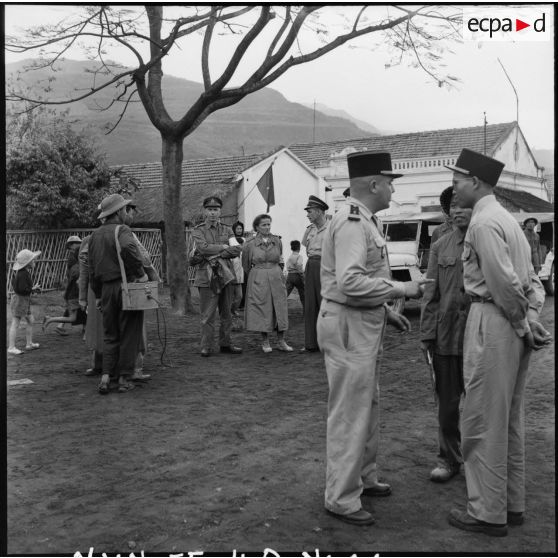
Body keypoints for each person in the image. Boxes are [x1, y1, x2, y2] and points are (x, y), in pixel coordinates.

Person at [318, 151, 431, 526]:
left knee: (367, 405)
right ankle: (340, 497)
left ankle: (362, 477)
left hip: (361, 322)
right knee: (351, 411)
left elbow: (355, 280)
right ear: (373, 184)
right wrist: (403, 288)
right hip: (348, 325)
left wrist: (386, 310)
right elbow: (349, 282)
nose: (393, 188)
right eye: (390, 181)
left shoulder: (364, 221)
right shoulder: (352, 223)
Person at [446, 148, 550, 537]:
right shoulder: (508, 220)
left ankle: (488, 513)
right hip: (511, 322)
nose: (453, 189)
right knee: (508, 420)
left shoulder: (484, 223)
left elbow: (505, 285)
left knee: (482, 420)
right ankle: (511, 504)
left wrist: (524, 325)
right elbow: (532, 284)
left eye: (457, 181)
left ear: (475, 181)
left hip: (494, 320)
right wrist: (531, 320)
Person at [420, 187, 472, 483]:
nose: (457, 211)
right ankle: (449, 458)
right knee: (447, 404)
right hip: (447, 336)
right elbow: (431, 293)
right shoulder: (441, 244)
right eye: (453, 206)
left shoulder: (488, 240)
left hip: (479, 336)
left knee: (481, 404)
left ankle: (482, 461)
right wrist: (427, 334)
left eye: (463, 205)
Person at [88, 193, 148, 394]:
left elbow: (92, 270)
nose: (126, 211)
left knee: (110, 335)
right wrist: (139, 274)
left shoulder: (94, 236)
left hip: (105, 290)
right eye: (124, 209)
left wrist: (97, 294)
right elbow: (130, 249)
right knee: (130, 333)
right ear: (119, 212)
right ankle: (123, 378)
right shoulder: (122, 229)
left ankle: (105, 377)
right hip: (125, 288)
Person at [191, 196, 243, 357]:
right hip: (206, 278)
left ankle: (226, 343)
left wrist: (212, 251)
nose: (213, 213)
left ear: (220, 211)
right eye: (210, 209)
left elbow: (236, 250)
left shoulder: (228, 230)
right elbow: (202, 248)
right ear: (204, 211)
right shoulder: (198, 230)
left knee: (227, 313)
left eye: (215, 209)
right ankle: (206, 346)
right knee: (207, 315)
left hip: (226, 276)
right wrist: (222, 247)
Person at [242, 214, 293, 353]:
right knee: (262, 308)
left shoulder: (277, 240)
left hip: (276, 276)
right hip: (258, 278)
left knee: (280, 308)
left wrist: (277, 272)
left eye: (269, 224)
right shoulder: (249, 243)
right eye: (264, 225)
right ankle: (265, 341)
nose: (267, 227)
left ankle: (281, 341)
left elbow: (280, 258)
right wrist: (257, 274)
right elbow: (246, 265)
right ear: (257, 227)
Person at [301, 195, 329, 352]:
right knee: (310, 305)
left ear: (319, 211)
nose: (307, 214)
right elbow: (306, 249)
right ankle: (311, 343)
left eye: (310, 211)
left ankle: (328, 343)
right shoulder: (309, 230)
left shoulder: (332, 228)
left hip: (326, 266)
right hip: (311, 266)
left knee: (326, 304)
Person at [43, 236, 84, 333]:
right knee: (75, 315)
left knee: (79, 311)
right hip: (74, 292)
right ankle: (51, 320)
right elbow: (75, 277)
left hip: (73, 292)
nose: (79, 244)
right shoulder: (74, 259)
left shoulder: (76, 256)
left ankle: (57, 323)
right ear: (72, 245)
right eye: (77, 243)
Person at [78, 234, 104, 376]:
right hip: (95, 290)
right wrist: (82, 297)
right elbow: (84, 271)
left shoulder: (121, 234)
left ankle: (113, 365)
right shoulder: (88, 240)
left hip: (113, 287)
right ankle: (97, 364)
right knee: (95, 327)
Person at [8, 249, 42, 355]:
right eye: (33, 261)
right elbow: (22, 290)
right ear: (28, 263)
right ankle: (11, 347)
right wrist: (32, 289)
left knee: (31, 320)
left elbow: (23, 288)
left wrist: (32, 288)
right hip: (20, 301)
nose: (34, 262)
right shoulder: (23, 274)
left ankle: (29, 343)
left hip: (24, 301)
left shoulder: (23, 273)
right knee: (15, 323)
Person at [229, 220, 246, 330]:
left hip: (241, 268)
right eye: (237, 228)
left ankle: (233, 310)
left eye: (240, 228)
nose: (239, 230)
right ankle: (229, 312)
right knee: (230, 294)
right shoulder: (231, 239)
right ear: (234, 229)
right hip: (232, 266)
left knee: (239, 295)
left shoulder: (244, 240)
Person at [285, 240, 305, 311]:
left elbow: (287, 266)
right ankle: (306, 311)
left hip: (290, 275)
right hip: (297, 275)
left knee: (285, 293)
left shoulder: (290, 257)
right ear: (299, 248)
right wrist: (302, 275)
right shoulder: (299, 256)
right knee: (303, 294)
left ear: (291, 248)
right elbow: (299, 265)